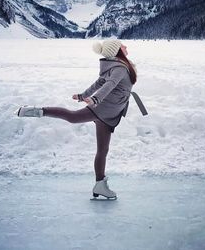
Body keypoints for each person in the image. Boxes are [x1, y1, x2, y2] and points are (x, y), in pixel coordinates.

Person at [16, 39, 137, 199]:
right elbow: (108, 86)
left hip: (108, 112)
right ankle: (35, 111)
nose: (126, 46)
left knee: (102, 150)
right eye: (122, 45)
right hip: (103, 109)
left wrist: (83, 95)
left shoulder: (115, 66)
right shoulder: (120, 69)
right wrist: (94, 100)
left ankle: (100, 185)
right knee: (72, 117)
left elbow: (99, 83)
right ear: (117, 51)